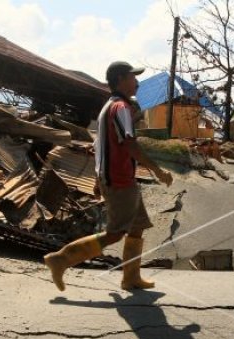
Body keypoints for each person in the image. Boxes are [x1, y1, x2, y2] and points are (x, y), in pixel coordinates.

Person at [44, 61, 173, 291]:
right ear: (121, 79)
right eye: (133, 77)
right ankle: (61, 259)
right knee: (115, 233)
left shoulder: (109, 107)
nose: (138, 82)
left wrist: (97, 179)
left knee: (137, 226)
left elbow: (100, 146)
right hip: (120, 180)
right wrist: (158, 170)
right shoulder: (120, 108)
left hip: (119, 178)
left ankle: (131, 277)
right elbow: (130, 145)